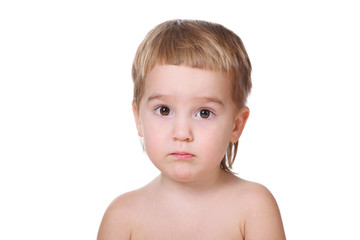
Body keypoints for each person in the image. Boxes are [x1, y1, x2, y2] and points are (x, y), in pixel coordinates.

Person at [97, 19, 286, 240]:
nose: (182, 133)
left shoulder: (253, 207)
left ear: (236, 125)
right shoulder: (122, 217)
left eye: (204, 113)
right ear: (138, 118)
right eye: (164, 110)